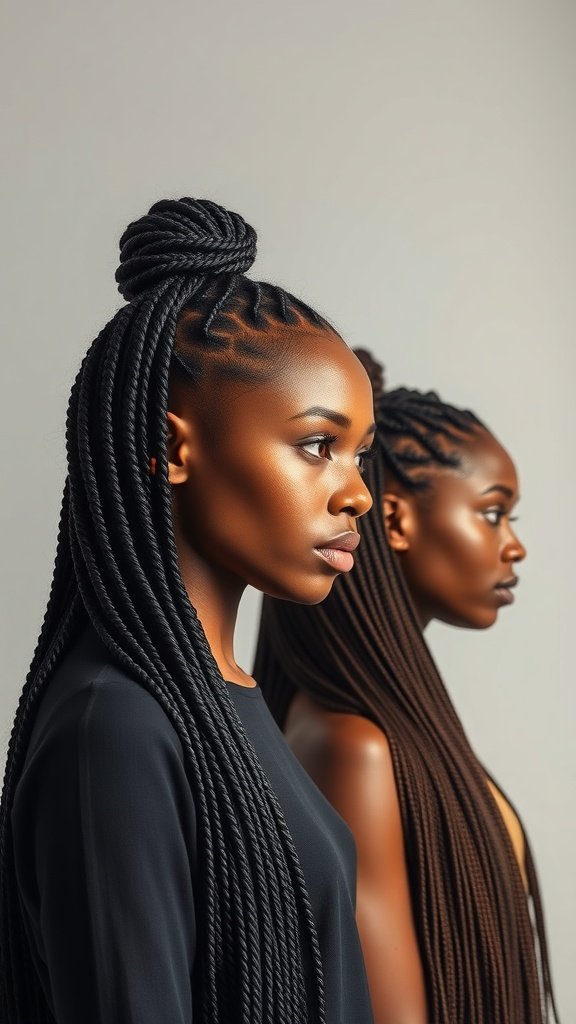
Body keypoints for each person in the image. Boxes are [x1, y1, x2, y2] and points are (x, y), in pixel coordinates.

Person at [0, 198, 378, 1024]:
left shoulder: (220, 699)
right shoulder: (115, 727)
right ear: (174, 447)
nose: (356, 494)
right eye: (318, 445)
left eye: (359, 454)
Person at [254, 350, 559, 1024]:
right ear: (394, 521)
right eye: (493, 513)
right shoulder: (354, 747)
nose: (515, 546)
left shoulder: (390, 728)